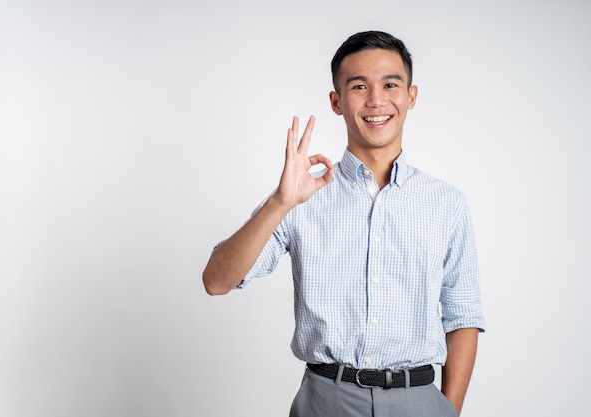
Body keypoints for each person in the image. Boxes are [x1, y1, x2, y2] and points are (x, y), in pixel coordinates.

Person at [203, 30, 485, 417]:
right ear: (336, 101)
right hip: (326, 400)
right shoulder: (301, 196)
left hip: (418, 401)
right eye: (359, 86)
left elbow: (463, 317)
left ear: (411, 96)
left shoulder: (446, 203)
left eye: (390, 84)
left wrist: (448, 411)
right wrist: (279, 203)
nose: (376, 100)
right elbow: (216, 281)